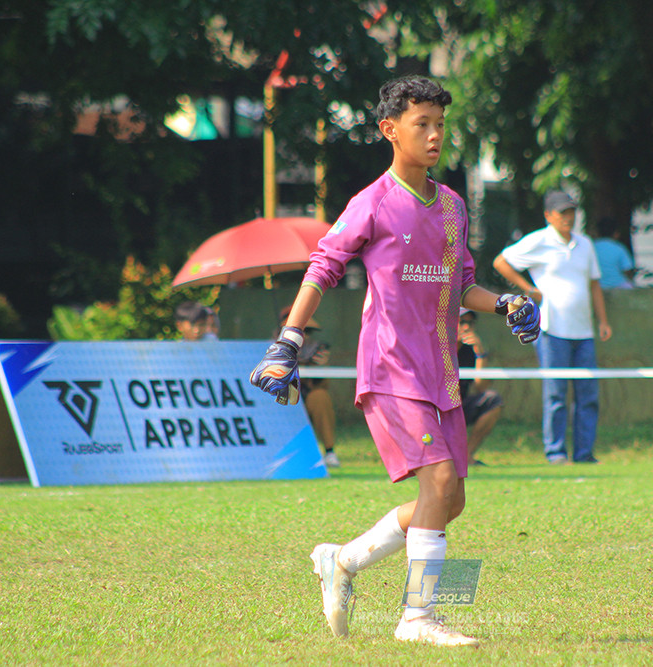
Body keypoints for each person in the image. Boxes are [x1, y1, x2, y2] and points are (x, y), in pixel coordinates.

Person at [249, 75, 540, 647]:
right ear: (390, 130)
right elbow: (323, 267)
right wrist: (287, 341)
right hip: (390, 368)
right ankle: (418, 619)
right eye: (421, 124)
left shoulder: (454, 205)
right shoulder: (372, 202)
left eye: (440, 125)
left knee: (449, 498)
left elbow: (463, 286)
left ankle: (343, 560)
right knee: (435, 479)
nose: (434, 137)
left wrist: (506, 302)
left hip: (441, 371)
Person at [493, 190, 612, 465]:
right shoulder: (539, 241)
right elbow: (501, 262)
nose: (568, 218)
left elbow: (594, 284)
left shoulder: (585, 244)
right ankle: (556, 453)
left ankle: (584, 454)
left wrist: (603, 321)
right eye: (562, 212)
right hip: (551, 331)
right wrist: (528, 290)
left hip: (584, 332)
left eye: (571, 212)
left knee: (588, 395)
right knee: (556, 394)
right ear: (548, 216)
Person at [279, 305, 339, 468]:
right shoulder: (272, 349)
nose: (303, 336)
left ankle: (329, 452)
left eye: (307, 331)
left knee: (320, 397)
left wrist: (319, 367)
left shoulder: (318, 351)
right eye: (298, 331)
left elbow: (323, 384)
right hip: (282, 400)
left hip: (307, 397)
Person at [456, 308, 503, 466]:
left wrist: (480, 354)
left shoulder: (471, 351)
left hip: (460, 405)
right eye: (462, 322)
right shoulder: (434, 347)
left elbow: (481, 387)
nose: (467, 328)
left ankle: (466, 456)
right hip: (438, 406)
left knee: (493, 400)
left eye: (470, 323)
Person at [592, 216, 636, 289]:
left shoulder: (591, 248)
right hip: (618, 285)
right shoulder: (620, 248)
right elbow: (627, 270)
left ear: (597, 232)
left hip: (596, 286)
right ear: (616, 233)